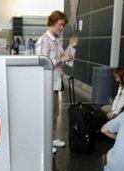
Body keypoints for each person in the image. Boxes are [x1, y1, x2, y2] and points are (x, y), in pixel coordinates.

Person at [35, 10, 79, 154]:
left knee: (54, 113)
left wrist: (72, 46)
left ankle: (52, 138)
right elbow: (41, 63)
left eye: (63, 25)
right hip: (46, 83)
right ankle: (45, 142)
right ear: (52, 22)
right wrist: (61, 59)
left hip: (55, 82)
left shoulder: (57, 40)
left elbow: (65, 57)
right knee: (47, 114)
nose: (62, 28)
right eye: (60, 25)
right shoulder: (43, 41)